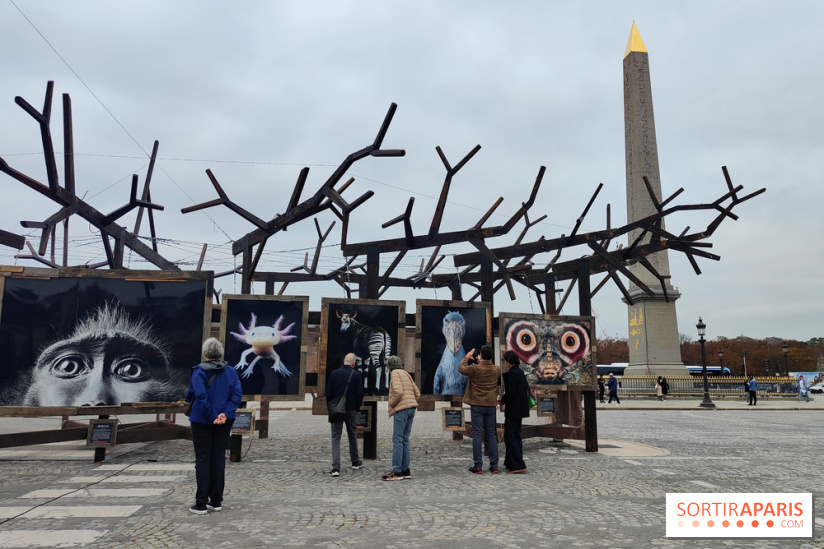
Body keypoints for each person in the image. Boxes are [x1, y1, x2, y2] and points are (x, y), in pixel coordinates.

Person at [185, 337, 242, 515]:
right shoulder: (231, 372)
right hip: (225, 421)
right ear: (220, 353)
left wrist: (211, 416)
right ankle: (216, 500)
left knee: (202, 459)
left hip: (202, 420)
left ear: (205, 353)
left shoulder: (199, 372)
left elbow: (200, 397)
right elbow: (236, 395)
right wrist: (224, 414)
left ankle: (201, 502)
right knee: (218, 458)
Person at [458, 344, 501, 474]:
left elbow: (461, 368)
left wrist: (467, 356)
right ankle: (494, 466)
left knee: (477, 435)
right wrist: (481, 361)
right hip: (491, 405)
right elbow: (486, 367)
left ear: (481, 355)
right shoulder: (496, 369)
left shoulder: (475, 369)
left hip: (477, 405)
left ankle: (478, 466)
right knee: (491, 435)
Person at [326, 352, 364, 477]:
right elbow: (359, 394)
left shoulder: (334, 373)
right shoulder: (356, 375)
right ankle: (355, 461)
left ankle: (336, 467)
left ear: (344, 361)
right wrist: (356, 408)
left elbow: (328, 393)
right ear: (353, 363)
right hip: (351, 409)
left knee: (335, 437)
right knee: (352, 435)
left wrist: (331, 408)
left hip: (336, 409)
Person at [382, 355, 420, 481]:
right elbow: (417, 393)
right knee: (405, 439)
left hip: (401, 409)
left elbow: (398, 392)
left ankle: (397, 471)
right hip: (411, 409)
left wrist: (391, 403)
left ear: (390, 366)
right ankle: (406, 469)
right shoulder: (406, 374)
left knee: (397, 439)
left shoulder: (394, 374)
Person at [500, 350, 530, 473]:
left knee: (510, 436)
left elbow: (511, 393)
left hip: (513, 409)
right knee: (515, 435)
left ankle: (517, 464)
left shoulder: (512, 374)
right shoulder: (520, 372)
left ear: (508, 361)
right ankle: (510, 461)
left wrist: (502, 400)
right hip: (520, 409)